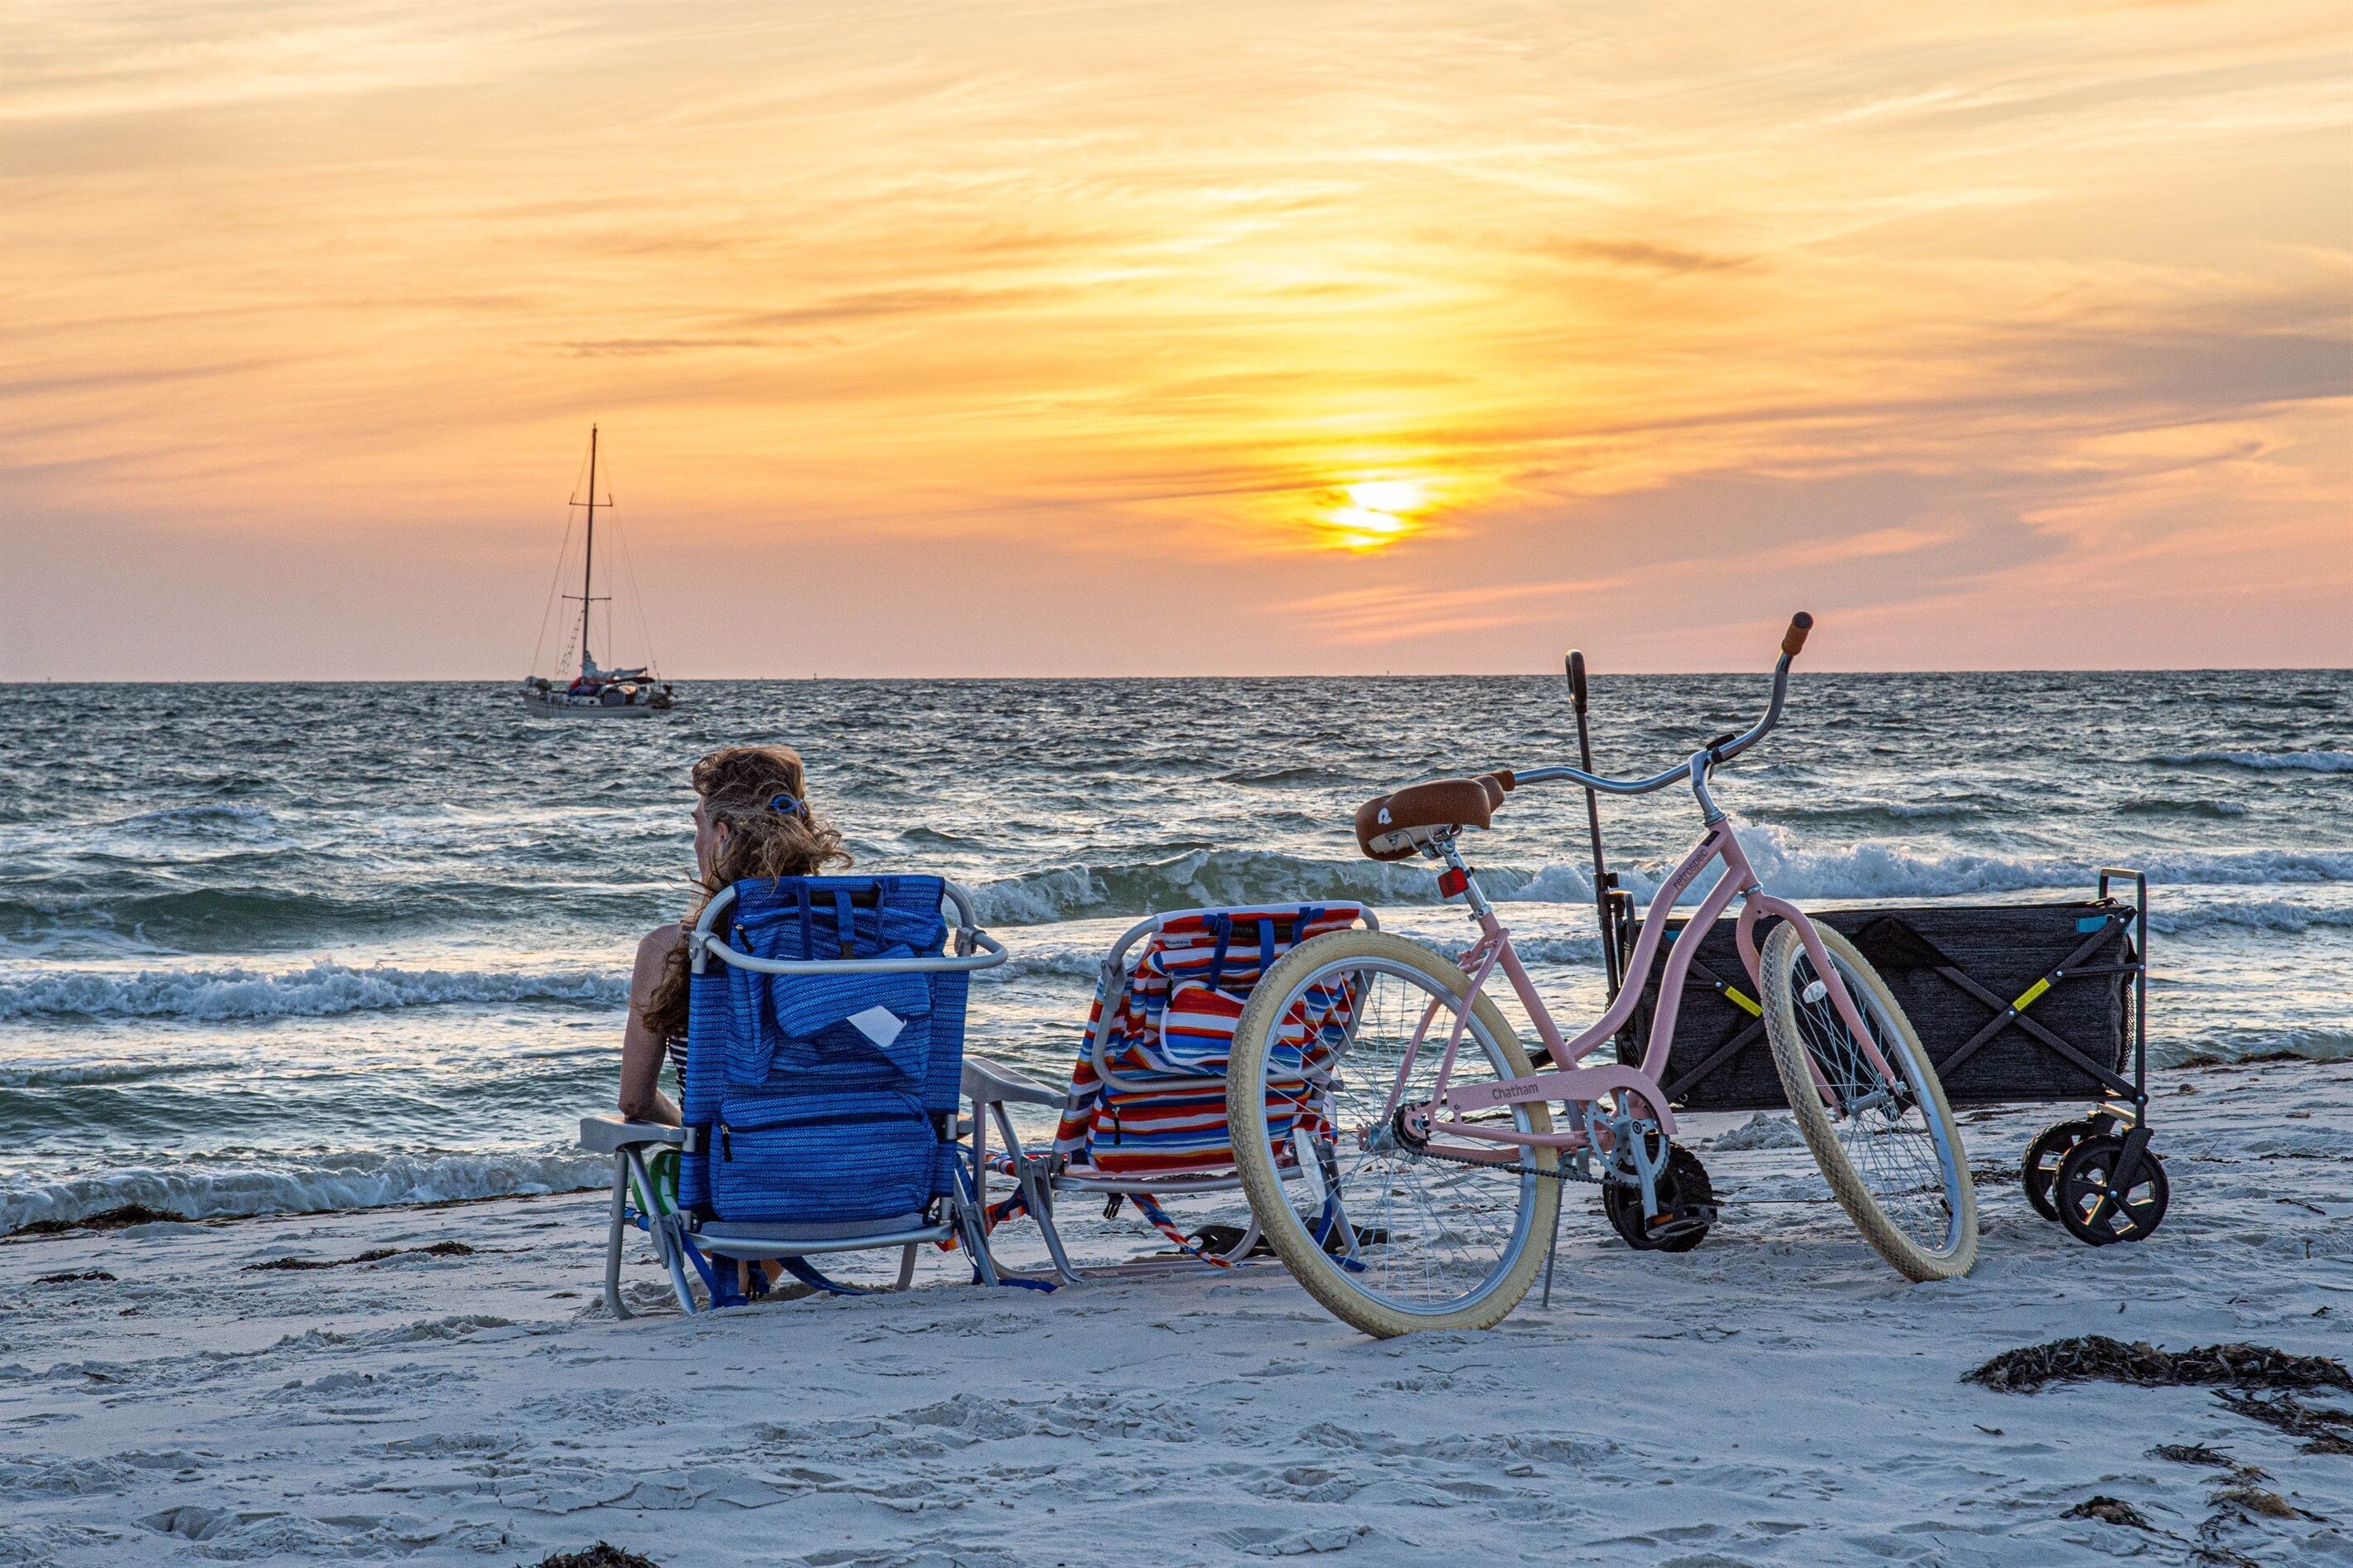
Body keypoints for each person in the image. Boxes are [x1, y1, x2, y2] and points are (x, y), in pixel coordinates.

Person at [619, 745, 852, 1123]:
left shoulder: (673, 951)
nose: (695, 842)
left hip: (733, 1173)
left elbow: (635, 1102)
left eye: (698, 825)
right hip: (879, 1166)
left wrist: (692, 1134)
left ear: (722, 835)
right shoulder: (862, 938)